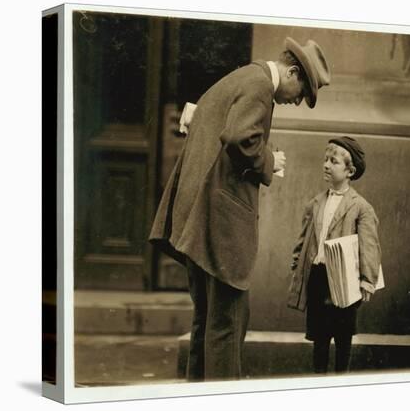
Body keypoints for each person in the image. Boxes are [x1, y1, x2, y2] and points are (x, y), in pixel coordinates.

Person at [149, 37, 331, 381]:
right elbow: (238, 137)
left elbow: (212, 124)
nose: (296, 102)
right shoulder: (260, 86)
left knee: (206, 322)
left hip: (196, 221)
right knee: (227, 326)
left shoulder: (243, 76)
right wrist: (268, 161)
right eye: (301, 92)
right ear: (292, 72)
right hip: (219, 228)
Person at [287, 136, 382, 374]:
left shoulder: (360, 207)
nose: (326, 165)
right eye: (325, 159)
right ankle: (319, 381)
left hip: (344, 280)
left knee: (342, 338)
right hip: (318, 278)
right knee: (319, 338)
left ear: (350, 171)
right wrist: (298, 263)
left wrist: (367, 280)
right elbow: (304, 239)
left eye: (334, 161)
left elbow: (369, 246)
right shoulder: (315, 203)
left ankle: (341, 383)